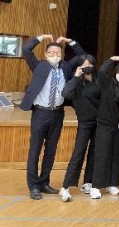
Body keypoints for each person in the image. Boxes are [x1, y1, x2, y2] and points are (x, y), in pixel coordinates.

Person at [21, 35, 86, 200]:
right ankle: (33, 186)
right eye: (51, 52)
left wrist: (70, 41)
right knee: (35, 150)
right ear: (46, 54)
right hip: (40, 113)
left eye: (58, 52)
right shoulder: (38, 66)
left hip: (57, 113)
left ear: (61, 54)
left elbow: (82, 56)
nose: (55, 55)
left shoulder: (65, 66)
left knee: (50, 150)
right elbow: (26, 50)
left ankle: (44, 182)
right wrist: (42, 37)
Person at [59, 55, 100, 202]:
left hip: (99, 122)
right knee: (78, 152)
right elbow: (65, 94)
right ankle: (65, 186)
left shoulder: (99, 80)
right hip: (84, 122)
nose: (87, 67)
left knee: (94, 153)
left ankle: (88, 182)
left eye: (90, 64)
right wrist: (76, 77)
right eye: (84, 64)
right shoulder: (76, 82)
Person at [90, 56, 119, 199]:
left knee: (116, 155)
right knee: (102, 155)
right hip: (105, 124)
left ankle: (113, 183)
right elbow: (102, 72)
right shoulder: (107, 83)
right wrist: (112, 59)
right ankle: (96, 186)